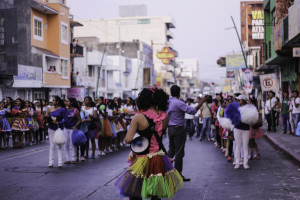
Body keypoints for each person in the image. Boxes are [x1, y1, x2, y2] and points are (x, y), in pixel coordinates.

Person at [115, 87, 183, 200]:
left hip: (141, 159)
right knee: (155, 193)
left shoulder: (138, 117)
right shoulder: (165, 117)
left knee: (135, 192)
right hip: (158, 159)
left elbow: (128, 140)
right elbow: (159, 137)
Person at [167, 85, 207, 181]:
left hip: (170, 128)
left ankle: (166, 172)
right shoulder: (178, 102)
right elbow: (192, 111)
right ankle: (177, 174)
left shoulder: (168, 102)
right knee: (179, 152)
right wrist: (202, 101)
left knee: (171, 150)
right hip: (178, 129)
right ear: (179, 92)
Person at [46, 96, 67, 167]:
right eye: (52, 100)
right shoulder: (50, 108)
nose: (52, 102)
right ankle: (50, 162)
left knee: (59, 145)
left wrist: (58, 123)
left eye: (54, 100)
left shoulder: (62, 109)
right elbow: (47, 116)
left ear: (57, 101)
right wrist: (46, 117)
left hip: (59, 129)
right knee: (52, 146)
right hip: (51, 128)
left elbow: (65, 120)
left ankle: (60, 162)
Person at [233, 95, 251, 169]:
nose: (238, 101)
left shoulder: (248, 108)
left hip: (246, 129)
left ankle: (245, 163)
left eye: (239, 100)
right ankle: (237, 162)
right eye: (238, 100)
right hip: (237, 128)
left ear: (243, 100)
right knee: (238, 146)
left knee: (245, 146)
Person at [64, 98, 81, 164]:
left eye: (67, 101)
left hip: (72, 129)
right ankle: (67, 159)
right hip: (65, 128)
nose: (66, 102)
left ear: (71, 102)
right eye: (65, 101)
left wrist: (75, 126)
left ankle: (73, 158)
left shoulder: (75, 110)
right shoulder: (65, 110)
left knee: (73, 144)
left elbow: (79, 120)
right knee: (66, 144)